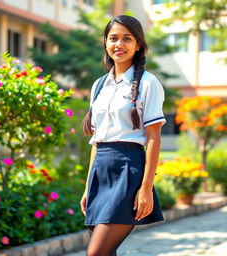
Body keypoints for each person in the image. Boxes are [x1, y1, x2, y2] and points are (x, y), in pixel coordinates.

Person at [80, 15, 166, 256]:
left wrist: (146, 188)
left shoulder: (149, 83)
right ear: (105, 42)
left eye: (127, 38)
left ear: (138, 44)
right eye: (113, 38)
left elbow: (153, 139)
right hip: (101, 172)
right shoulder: (98, 86)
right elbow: (96, 142)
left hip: (128, 171)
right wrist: (88, 187)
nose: (119, 44)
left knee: (95, 253)